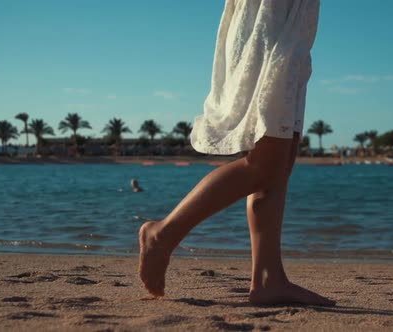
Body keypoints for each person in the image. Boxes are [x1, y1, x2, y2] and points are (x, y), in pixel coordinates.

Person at [138, 0, 334, 306]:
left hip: (296, 21)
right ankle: (163, 233)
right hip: (269, 20)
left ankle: (269, 278)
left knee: (280, 163)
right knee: (266, 164)